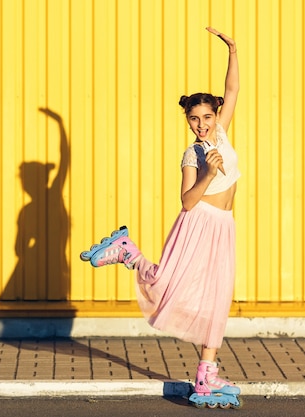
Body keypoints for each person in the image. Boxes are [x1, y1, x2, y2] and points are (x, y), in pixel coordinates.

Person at [80, 27, 242, 409]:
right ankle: (127, 252)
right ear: (187, 121)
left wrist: (233, 50)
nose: (201, 124)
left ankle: (207, 372)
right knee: (168, 285)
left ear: (215, 114)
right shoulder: (193, 154)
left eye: (206, 117)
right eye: (194, 119)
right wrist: (206, 172)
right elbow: (187, 202)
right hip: (198, 223)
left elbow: (232, 89)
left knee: (217, 297)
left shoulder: (221, 135)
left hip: (224, 227)